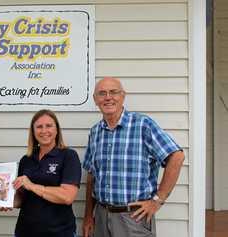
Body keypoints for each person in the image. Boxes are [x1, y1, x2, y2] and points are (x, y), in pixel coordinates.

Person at [82, 77, 185, 237]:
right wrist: (89, 215)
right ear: (96, 100)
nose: (108, 97)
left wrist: (157, 200)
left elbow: (176, 157)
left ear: (123, 96)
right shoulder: (95, 132)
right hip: (101, 215)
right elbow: (91, 176)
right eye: (102, 93)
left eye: (113, 92)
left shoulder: (143, 125)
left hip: (133, 218)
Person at [12, 109, 81, 237]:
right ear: (33, 131)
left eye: (48, 126)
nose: (44, 131)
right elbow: (22, 199)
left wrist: (32, 186)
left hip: (59, 232)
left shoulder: (68, 156)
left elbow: (67, 196)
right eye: (39, 127)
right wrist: (7, 201)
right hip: (25, 231)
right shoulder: (26, 160)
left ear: (56, 130)